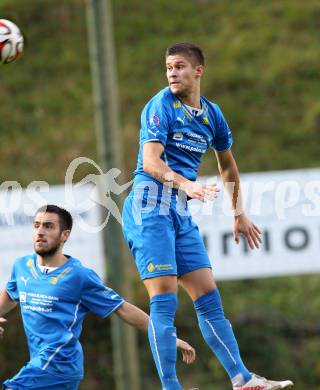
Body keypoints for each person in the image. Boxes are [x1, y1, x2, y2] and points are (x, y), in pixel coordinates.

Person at [122, 42, 294, 390]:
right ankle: (171, 387)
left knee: (208, 295)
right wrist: (188, 185)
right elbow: (151, 162)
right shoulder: (160, 106)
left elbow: (227, 164)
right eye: (169, 66)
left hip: (179, 210)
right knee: (165, 299)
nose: (172, 72)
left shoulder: (212, 114)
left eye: (180, 66)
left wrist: (239, 213)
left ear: (198, 71)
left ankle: (243, 380)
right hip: (148, 207)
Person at [0, 204, 195, 390]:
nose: (40, 231)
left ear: (64, 235)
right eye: (37, 225)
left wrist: (168, 337)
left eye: (48, 226)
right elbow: (10, 295)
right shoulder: (22, 266)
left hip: (59, 363)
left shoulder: (79, 276)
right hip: (42, 363)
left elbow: (123, 308)